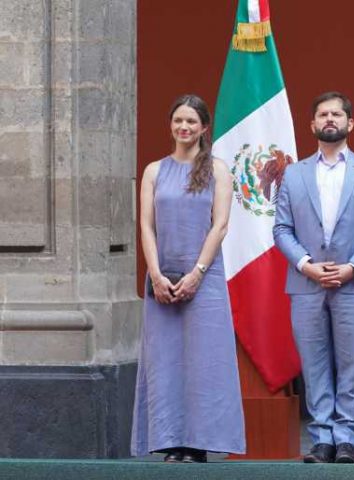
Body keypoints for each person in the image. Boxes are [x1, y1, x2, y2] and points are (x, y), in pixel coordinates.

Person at [273, 91, 354, 464]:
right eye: (322, 114)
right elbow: (281, 229)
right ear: (312, 124)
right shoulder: (293, 173)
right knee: (314, 364)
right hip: (306, 282)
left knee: (351, 364)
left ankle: (346, 439)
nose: (329, 119)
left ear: (349, 123)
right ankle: (321, 438)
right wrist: (306, 264)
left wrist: (352, 267)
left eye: (336, 114)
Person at [132, 94, 245, 462]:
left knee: (205, 361)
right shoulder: (154, 171)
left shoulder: (218, 169)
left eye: (191, 122)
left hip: (204, 279)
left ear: (204, 128)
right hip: (162, 279)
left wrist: (197, 272)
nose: (184, 127)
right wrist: (154, 273)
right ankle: (170, 441)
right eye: (178, 120)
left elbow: (221, 224)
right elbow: (146, 226)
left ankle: (198, 443)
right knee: (164, 359)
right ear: (171, 124)